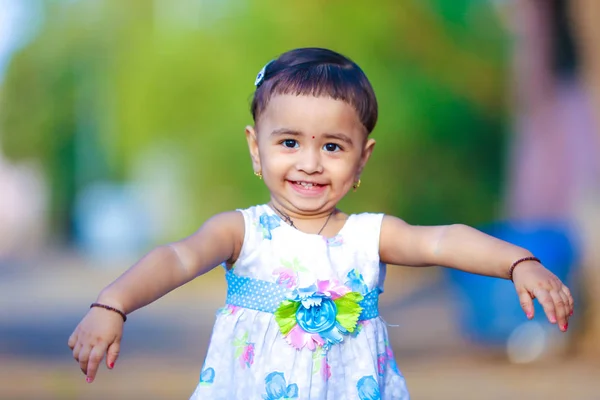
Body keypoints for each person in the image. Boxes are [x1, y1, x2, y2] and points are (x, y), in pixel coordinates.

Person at [68, 47, 574, 399]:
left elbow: (441, 240)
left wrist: (518, 262)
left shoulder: (369, 236)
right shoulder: (242, 232)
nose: (310, 162)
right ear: (256, 148)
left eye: (332, 146)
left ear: (361, 160)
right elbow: (176, 257)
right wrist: (113, 304)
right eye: (289, 143)